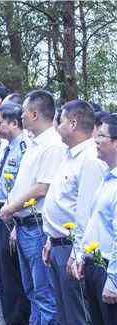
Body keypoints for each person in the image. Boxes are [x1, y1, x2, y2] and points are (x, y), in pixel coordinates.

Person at [0, 90, 63, 325]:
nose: (21, 117)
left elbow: (41, 188)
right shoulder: (34, 144)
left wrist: (10, 208)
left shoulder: (52, 146)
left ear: (35, 114)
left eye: (24, 112)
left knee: (45, 295)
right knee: (32, 293)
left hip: (38, 229)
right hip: (24, 226)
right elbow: (24, 184)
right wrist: (16, 218)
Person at [42, 100, 106, 325]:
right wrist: (51, 239)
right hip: (60, 244)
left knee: (78, 316)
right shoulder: (69, 155)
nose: (55, 126)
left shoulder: (90, 159)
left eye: (58, 121)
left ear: (73, 123)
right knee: (65, 314)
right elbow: (62, 202)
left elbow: (87, 213)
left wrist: (77, 253)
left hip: (74, 250)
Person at [70, 113, 117, 325]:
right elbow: (94, 223)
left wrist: (113, 280)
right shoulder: (107, 177)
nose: (95, 141)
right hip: (95, 264)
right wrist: (83, 255)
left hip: (108, 269)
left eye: (102, 136)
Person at [0, 104, 31, 325]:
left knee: (12, 273)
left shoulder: (24, 147)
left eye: (1, 122)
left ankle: (17, 319)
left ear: (14, 123)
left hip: (11, 215)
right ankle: (10, 317)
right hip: (0, 211)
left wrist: (14, 218)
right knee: (3, 270)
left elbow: (23, 186)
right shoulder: (7, 146)